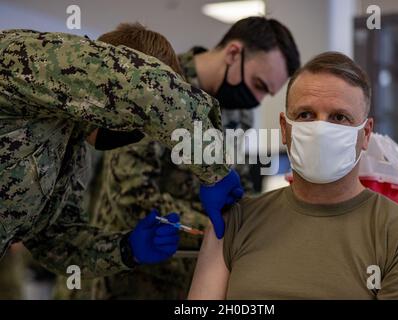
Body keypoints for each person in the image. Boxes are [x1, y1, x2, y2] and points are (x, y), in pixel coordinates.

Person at [188, 52, 398, 300]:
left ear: (366, 133)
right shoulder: (235, 223)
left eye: (339, 117)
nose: (320, 129)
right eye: (306, 115)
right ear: (284, 128)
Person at [77, 18, 300, 299]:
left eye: (266, 93)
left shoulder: (239, 113)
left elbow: (237, 186)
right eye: (257, 84)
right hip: (135, 281)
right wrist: (219, 231)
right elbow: (129, 197)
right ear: (233, 53)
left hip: (202, 281)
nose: (256, 99)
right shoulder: (157, 82)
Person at [0, 28, 243, 278]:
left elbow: (52, 239)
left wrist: (127, 249)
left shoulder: (70, 138)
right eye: (135, 121)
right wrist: (215, 172)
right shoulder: (23, 57)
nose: (133, 133)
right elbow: (150, 88)